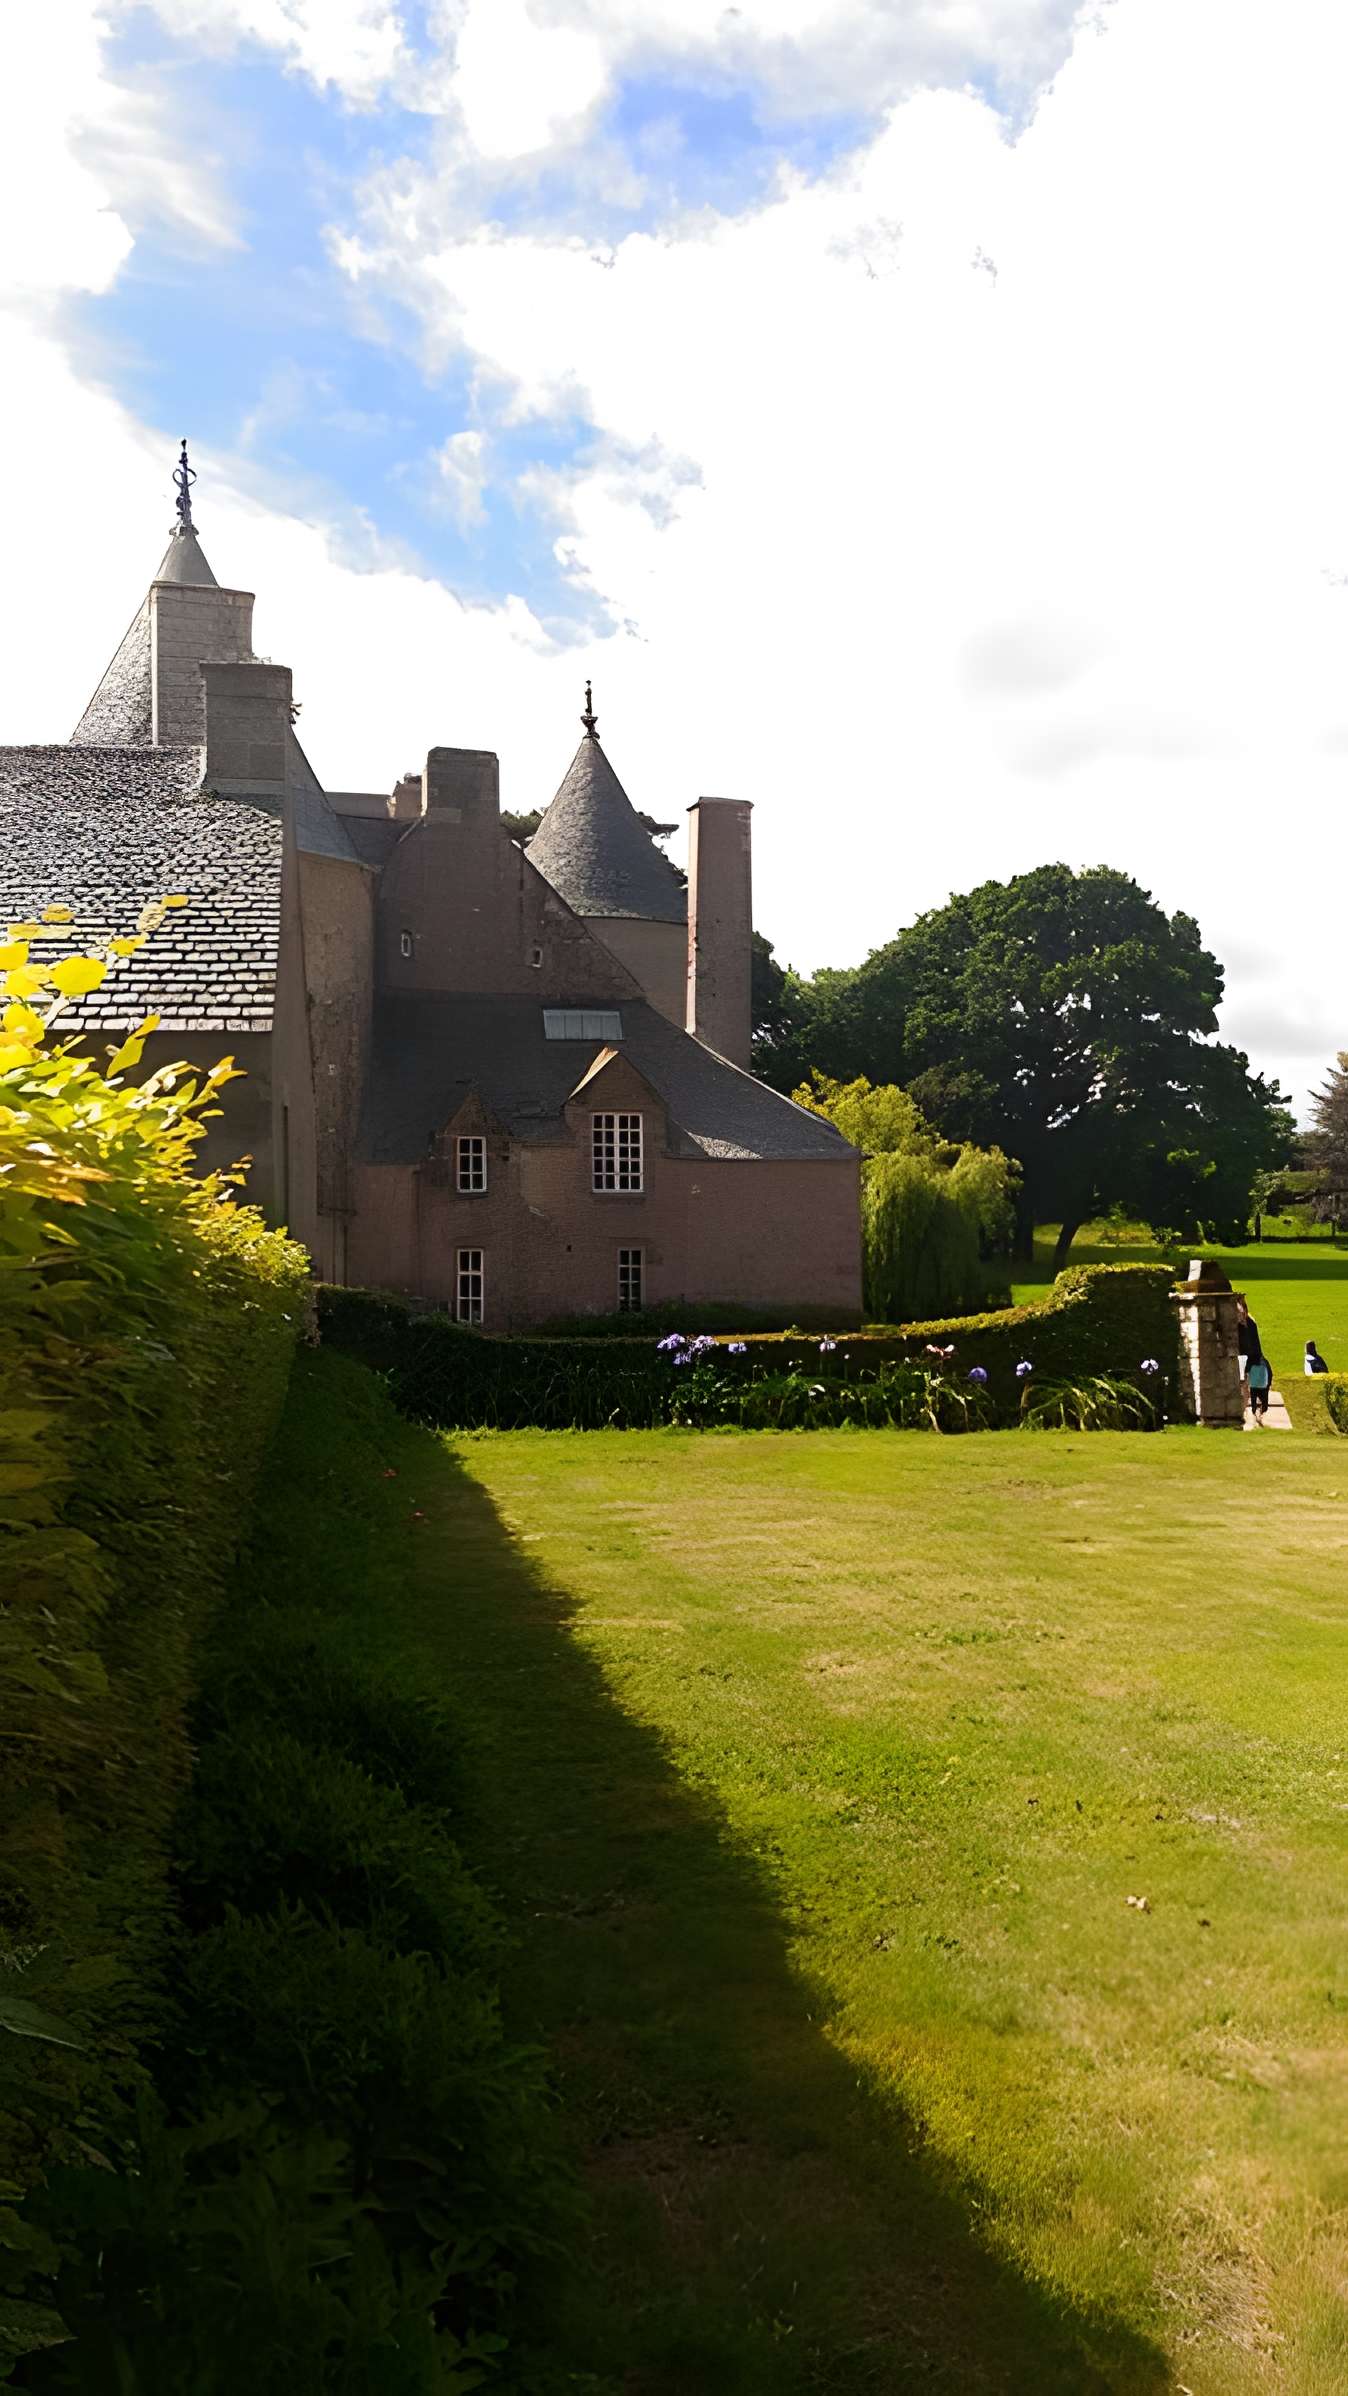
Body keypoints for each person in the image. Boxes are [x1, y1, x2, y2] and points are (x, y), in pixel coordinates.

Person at [1235, 1294, 1272, 1420]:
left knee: (1246, 1386)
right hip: (1249, 1359)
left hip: (1249, 1359)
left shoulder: (1247, 1323)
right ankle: (1247, 1412)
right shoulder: (1249, 1322)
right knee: (1246, 1387)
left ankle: (1247, 1412)